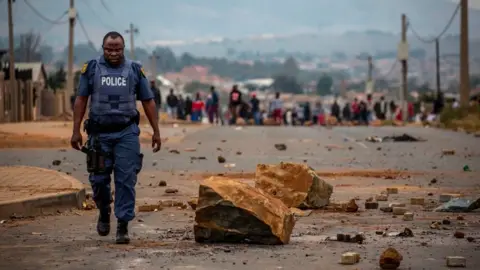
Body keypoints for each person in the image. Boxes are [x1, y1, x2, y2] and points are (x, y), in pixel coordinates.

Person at [70, 31, 161, 245]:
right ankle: (104, 210)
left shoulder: (134, 69)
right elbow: (81, 99)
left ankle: (122, 225)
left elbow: (148, 101)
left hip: (126, 133)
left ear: (123, 49)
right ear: (103, 48)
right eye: (109, 49)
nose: (113, 52)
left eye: (117, 49)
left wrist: (156, 131)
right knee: (99, 181)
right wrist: (75, 130)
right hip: (99, 135)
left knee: (126, 180)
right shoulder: (91, 69)